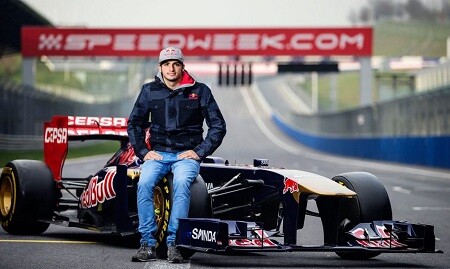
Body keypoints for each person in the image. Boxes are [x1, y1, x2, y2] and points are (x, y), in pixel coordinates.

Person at [127, 47, 226, 263]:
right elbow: (134, 123)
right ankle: (147, 244)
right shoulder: (148, 91)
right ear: (160, 67)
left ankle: (174, 243)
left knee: (182, 184)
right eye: (166, 64)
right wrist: (144, 152)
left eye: (176, 64)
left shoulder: (200, 91)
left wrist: (199, 152)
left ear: (182, 66)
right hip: (159, 155)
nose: (171, 68)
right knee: (144, 183)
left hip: (186, 156)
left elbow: (218, 126)